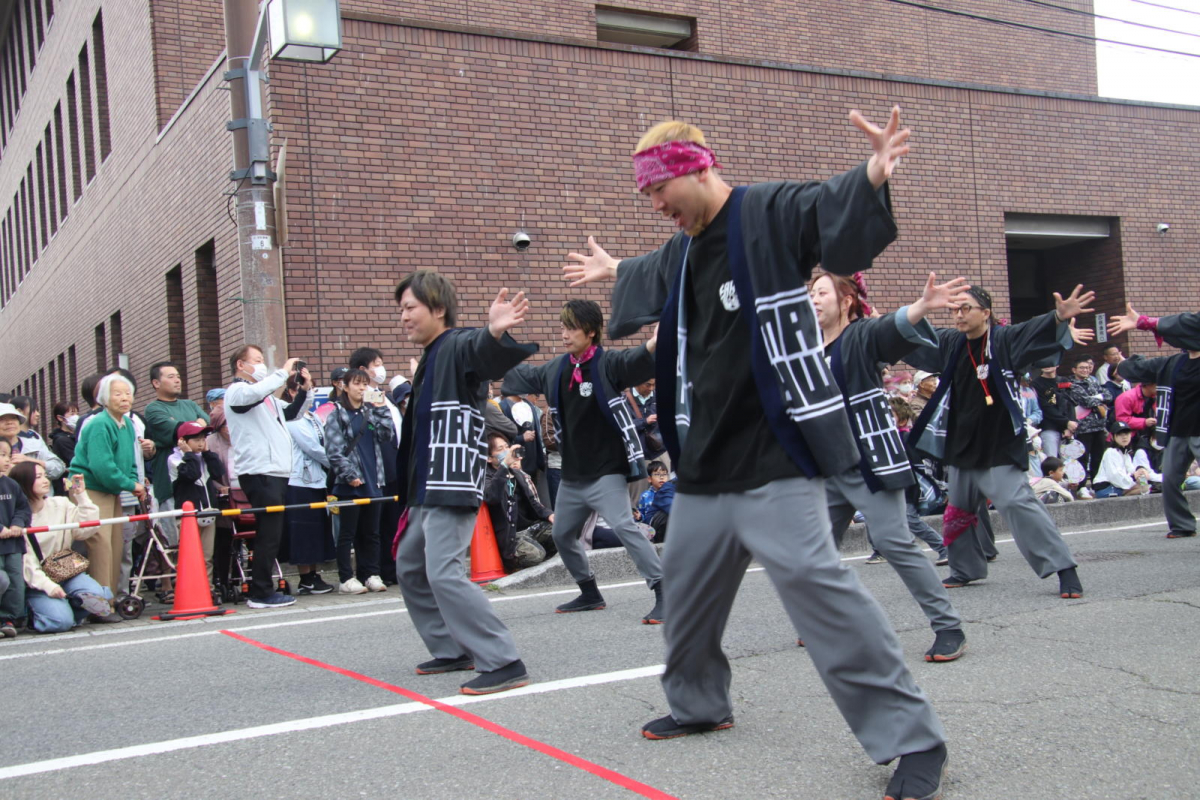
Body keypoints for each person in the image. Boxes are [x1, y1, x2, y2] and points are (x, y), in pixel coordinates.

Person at [563, 110, 948, 796]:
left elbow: (826, 209)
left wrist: (870, 175)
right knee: (684, 600)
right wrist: (616, 269)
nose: (655, 207)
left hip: (776, 454)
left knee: (820, 592)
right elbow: (650, 273)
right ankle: (700, 705)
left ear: (696, 168)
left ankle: (912, 740)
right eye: (646, 197)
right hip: (705, 467)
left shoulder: (767, 211)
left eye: (659, 192)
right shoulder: (680, 254)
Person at [811, 270, 969, 662]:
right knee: (813, 553)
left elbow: (888, 329)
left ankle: (948, 626)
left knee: (896, 543)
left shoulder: (860, 336)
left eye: (821, 293)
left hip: (870, 464)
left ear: (845, 301)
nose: (812, 300)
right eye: (809, 294)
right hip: (826, 469)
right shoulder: (809, 350)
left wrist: (920, 306)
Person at [394, 270, 535, 695]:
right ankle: (453, 648)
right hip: (424, 486)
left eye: (410, 308)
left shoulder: (454, 345)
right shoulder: (430, 358)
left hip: (450, 480)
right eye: (400, 309)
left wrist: (492, 331)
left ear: (438, 308)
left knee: (444, 573)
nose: (403, 317)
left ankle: (503, 659)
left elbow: (480, 351)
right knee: (411, 566)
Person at [907, 284, 1092, 599]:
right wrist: (891, 319)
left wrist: (1057, 318)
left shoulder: (1003, 340)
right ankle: (966, 569)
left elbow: (1032, 332)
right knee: (959, 508)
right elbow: (917, 338)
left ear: (986, 313)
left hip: (999, 441)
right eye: (955, 310)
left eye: (966, 308)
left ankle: (1064, 568)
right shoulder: (953, 342)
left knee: (1016, 502)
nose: (959, 315)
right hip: (962, 441)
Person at [502, 299, 664, 623]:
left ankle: (664, 592)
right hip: (574, 475)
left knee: (624, 527)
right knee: (562, 534)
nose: (564, 333)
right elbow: (522, 375)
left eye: (571, 327)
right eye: (562, 326)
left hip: (606, 472)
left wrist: (656, 342)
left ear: (590, 332)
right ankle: (589, 591)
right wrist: (496, 339)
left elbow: (636, 359)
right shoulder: (557, 369)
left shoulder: (608, 364)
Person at [224, 345, 310, 609]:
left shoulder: (268, 399)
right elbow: (255, 392)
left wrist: (305, 390)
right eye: (257, 360)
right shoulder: (237, 392)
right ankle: (261, 592)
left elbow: (293, 413)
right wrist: (283, 372)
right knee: (268, 533)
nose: (262, 365)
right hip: (259, 471)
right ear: (241, 365)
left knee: (271, 532)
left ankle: (262, 588)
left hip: (275, 472)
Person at [1109, 305, 1200, 538]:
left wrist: (1146, 322)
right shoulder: (1173, 363)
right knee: (1170, 479)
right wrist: (1123, 362)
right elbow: (1134, 369)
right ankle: (1182, 525)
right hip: (1178, 431)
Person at [13, 464, 122, 631]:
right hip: (36, 581)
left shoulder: (60, 503)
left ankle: (66, 609)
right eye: (38, 477)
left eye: (45, 475)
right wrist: (50, 587)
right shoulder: (18, 520)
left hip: (65, 571)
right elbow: (26, 565)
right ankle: (38, 613)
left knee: (98, 596)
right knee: (60, 622)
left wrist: (81, 495)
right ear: (24, 483)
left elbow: (87, 529)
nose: (45, 481)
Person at [66, 375, 146, 597]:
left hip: (110, 489)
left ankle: (109, 597)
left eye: (127, 393)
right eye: (117, 394)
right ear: (104, 398)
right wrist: (131, 484)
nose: (124, 398)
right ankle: (101, 602)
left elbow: (130, 460)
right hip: (90, 488)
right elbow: (102, 467)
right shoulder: (100, 423)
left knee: (115, 545)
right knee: (101, 546)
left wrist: (133, 482)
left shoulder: (127, 423)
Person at [323, 367, 394, 594]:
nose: (363, 388)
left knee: (371, 532)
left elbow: (386, 435)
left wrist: (383, 409)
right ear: (344, 386)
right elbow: (333, 451)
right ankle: (346, 578)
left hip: (375, 480)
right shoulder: (336, 414)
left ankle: (370, 574)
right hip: (350, 483)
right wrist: (350, 474)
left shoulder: (369, 412)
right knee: (347, 533)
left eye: (365, 384)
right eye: (357, 383)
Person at [349, 348, 405, 587]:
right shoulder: (364, 398)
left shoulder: (383, 396)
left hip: (395, 464)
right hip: (377, 468)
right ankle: (374, 570)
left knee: (392, 521)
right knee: (374, 524)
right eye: (377, 364)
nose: (381, 369)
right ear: (363, 370)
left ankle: (391, 568)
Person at [144, 362, 210, 538]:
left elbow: (207, 421)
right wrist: (195, 425)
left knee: (203, 542)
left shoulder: (190, 404)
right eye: (171, 377)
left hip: (199, 479)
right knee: (176, 541)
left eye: (178, 376)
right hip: (171, 481)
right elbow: (178, 430)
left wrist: (194, 425)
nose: (177, 380)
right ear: (156, 383)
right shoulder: (153, 409)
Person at [890, 396, 949, 566]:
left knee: (910, 519)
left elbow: (918, 466)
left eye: (890, 414)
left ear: (901, 418)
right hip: (899, 485)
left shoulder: (907, 438)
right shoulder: (893, 438)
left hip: (911, 486)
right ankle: (906, 553)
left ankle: (943, 548)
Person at [484, 434, 552, 572]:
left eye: (507, 446)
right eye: (500, 448)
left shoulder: (516, 473)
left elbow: (533, 503)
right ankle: (513, 562)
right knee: (535, 555)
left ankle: (542, 555)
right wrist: (504, 466)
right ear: (489, 458)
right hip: (511, 535)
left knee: (562, 531)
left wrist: (550, 515)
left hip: (529, 528)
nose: (507, 451)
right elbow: (492, 497)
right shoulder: (487, 476)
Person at [167, 421, 225, 581]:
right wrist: (189, 454)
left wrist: (207, 453)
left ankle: (208, 589)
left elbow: (218, 472)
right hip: (188, 516)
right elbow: (192, 475)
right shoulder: (174, 459)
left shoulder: (204, 457)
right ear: (183, 441)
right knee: (190, 557)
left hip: (208, 513)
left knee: (207, 556)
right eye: (196, 440)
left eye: (202, 439)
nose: (201, 443)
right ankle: (190, 588)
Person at [0, 436, 32, 637]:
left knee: (15, 582)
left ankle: (9, 618)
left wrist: (17, 523)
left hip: (13, 544)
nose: (5, 459)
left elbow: (23, 508)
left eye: (6, 455)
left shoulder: (11, 484)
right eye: (1, 455)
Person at [1065, 355, 1112, 483]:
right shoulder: (1072, 385)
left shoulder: (1093, 381)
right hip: (1083, 427)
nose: (1085, 370)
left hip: (1099, 425)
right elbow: (1085, 401)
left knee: (1099, 457)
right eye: (1081, 368)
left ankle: (1098, 483)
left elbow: (1108, 395)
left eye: (1087, 368)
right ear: (1074, 370)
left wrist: (1099, 398)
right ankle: (1082, 485)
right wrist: (1100, 398)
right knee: (1083, 457)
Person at [5, 398, 66, 484]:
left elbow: (59, 467)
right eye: (2, 419)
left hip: (37, 496)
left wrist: (31, 461)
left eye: (13, 418)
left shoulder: (34, 444)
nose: (9, 423)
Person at [1092, 422, 1153, 498]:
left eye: (1127, 434)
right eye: (1120, 434)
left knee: (1144, 486)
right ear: (1113, 437)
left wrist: (1140, 472)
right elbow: (1115, 476)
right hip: (1106, 488)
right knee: (1141, 488)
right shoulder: (1111, 452)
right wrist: (1134, 479)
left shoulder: (1126, 454)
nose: (1124, 437)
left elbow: (1131, 471)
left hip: (1119, 485)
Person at [1031, 361, 1076, 458]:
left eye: (1050, 362)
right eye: (1043, 363)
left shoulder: (1064, 380)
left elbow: (1070, 403)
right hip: (1048, 427)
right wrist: (1066, 422)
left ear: (1057, 364)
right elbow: (1045, 407)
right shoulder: (1035, 384)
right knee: (1052, 460)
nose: (1046, 365)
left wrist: (1071, 425)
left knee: (1069, 462)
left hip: (1067, 428)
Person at [633, 459, 674, 543]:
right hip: (650, 525)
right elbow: (642, 513)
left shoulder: (669, 491)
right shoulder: (645, 495)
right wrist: (639, 517)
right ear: (649, 479)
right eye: (657, 474)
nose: (661, 477)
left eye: (664, 474)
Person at [48, 401, 79, 494]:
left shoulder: (74, 436)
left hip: (72, 479)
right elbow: (75, 462)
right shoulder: (62, 440)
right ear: (60, 418)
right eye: (72, 414)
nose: (76, 417)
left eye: (77, 413)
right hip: (69, 481)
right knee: (75, 499)